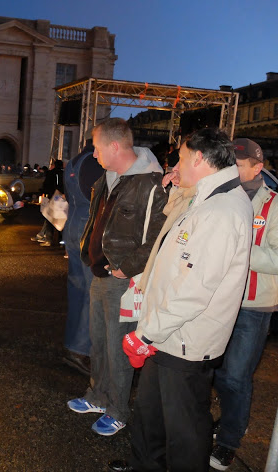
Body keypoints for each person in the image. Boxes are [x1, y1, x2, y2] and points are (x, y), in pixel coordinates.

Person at [109, 128, 254, 472]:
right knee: (149, 418)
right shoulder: (206, 196)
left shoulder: (222, 211)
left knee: (184, 431)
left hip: (186, 340)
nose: (174, 164)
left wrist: (145, 335)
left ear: (200, 160)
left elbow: (193, 292)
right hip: (166, 333)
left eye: (182, 158)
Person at [67, 118, 167, 436]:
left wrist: (127, 267)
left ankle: (119, 410)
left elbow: (158, 236)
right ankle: (98, 396)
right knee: (99, 343)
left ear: (114, 146)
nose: (94, 154)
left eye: (97, 148)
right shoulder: (110, 177)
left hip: (122, 279)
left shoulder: (150, 184)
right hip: (100, 273)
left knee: (117, 347)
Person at [210, 139, 278, 471]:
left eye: (238, 164)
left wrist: (241, 249)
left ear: (257, 167)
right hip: (218, 299)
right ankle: (227, 422)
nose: (232, 170)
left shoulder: (275, 205)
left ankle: (228, 440)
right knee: (215, 372)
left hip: (253, 305)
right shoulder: (222, 196)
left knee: (236, 376)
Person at [60, 141, 104, 376]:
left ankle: (72, 344)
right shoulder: (96, 163)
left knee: (77, 288)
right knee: (91, 291)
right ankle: (80, 349)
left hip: (73, 223)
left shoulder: (74, 162)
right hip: (88, 225)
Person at [32, 159, 65, 247]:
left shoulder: (51, 173)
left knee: (49, 218)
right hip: (62, 198)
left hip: (52, 197)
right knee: (60, 219)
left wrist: (41, 193)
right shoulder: (64, 173)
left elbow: (46, 185)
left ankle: (49, 239)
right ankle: (61, 240)